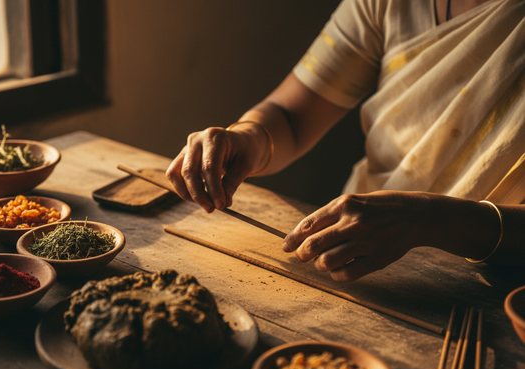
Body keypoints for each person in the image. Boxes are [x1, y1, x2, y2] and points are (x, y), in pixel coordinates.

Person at [166, 0, 525, 281]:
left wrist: (425, 219)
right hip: (357, 252)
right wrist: (248, 137)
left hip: (497, 283)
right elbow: (291, 117)